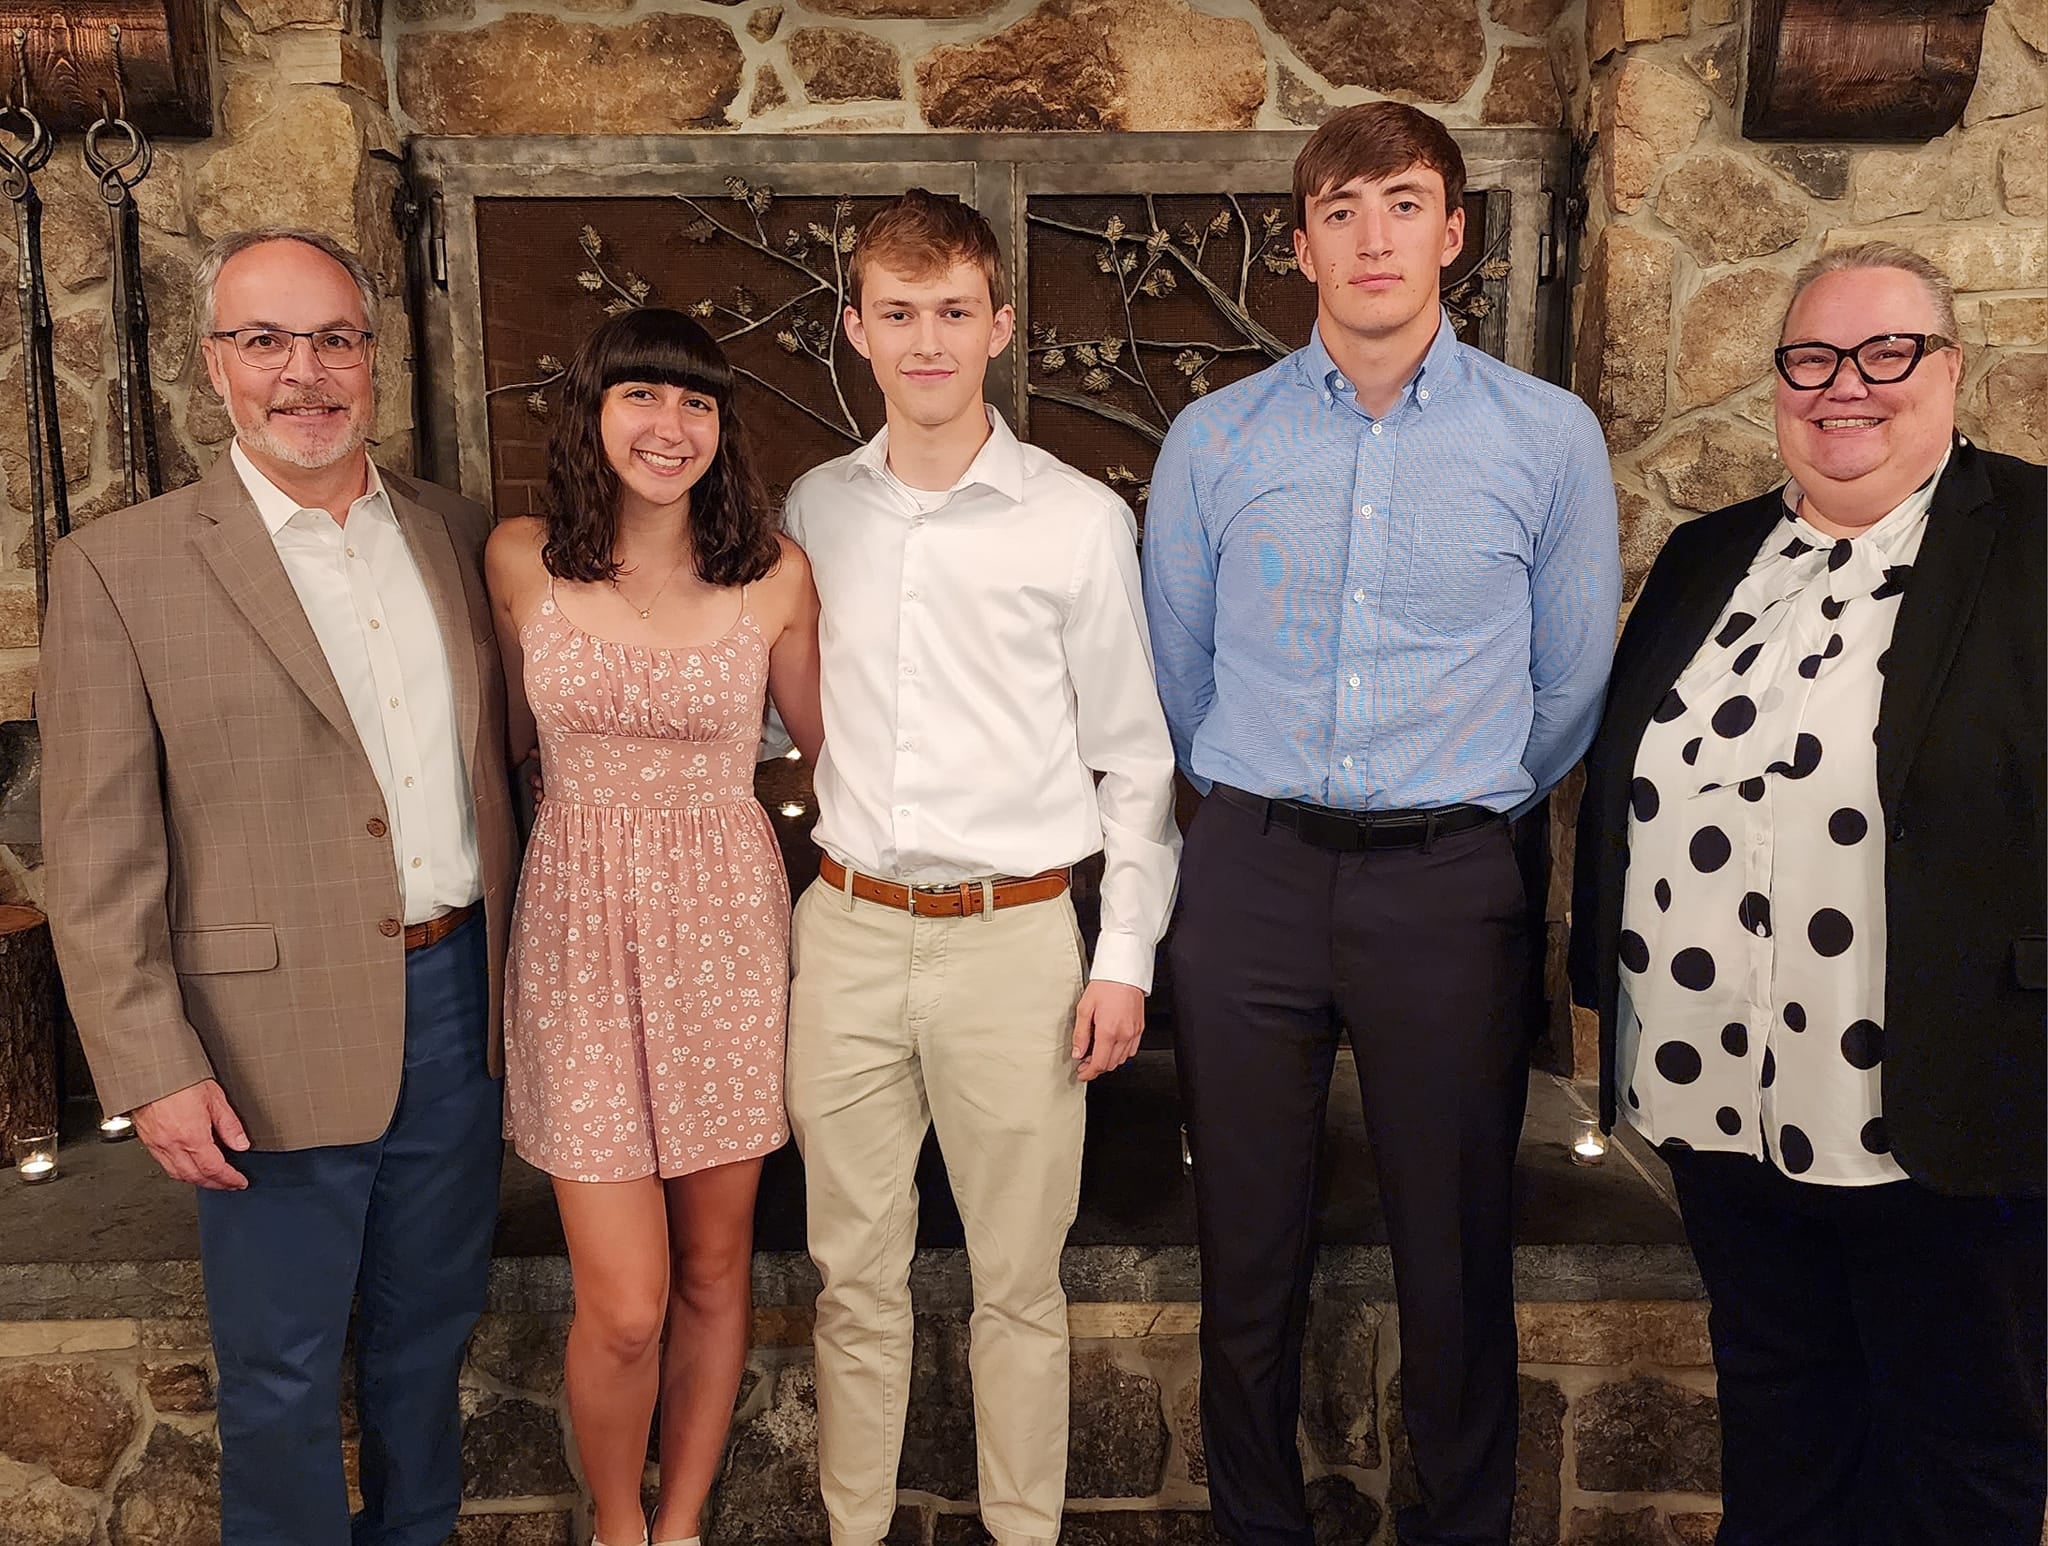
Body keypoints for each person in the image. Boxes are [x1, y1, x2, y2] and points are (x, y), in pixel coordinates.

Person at [1141, 103, 1620, 1546]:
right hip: (1252, 876)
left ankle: (1461, 1522)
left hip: (1448, 883)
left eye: (1403, 204)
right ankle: (1258, 1524)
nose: (1372, 238)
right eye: (1340, 210)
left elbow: (1570, 683)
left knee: (1457, 1251)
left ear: (1454, 232)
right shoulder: (1212, 438)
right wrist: (1264, 803)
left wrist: (1456, 809)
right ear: (1297, 244)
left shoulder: (1548, 438)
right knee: (1247, 1247)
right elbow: (1180, 671)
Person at [38, 228, 518, 1545]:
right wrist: (147, 1058)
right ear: (214, 366)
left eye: (333, 339)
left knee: (427, 1353)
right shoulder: (118, 570)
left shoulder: (459, 535)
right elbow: (97, 849)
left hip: (458, 1011)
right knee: (283, 1377)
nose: (303, 372)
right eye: (265, 341)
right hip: (259, 1041)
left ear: (374, 355)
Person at [1570, 242, 2045, 1544]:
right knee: (1783, 1424)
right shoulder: (1709, 553)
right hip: (1724, 1101)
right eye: (1813, 358)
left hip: (1952, 1102)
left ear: (1951, 371)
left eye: (1889, 352)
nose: (1848, 385)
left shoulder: (2033, 540)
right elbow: (1633, 777)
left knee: (1961, 1447)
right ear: (1778, 380)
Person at [781, 188, 1179, 1546]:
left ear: (1000, 326)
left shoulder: (1074, 520)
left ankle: (1024, 1531)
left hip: (1016, 942)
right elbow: (777, 703)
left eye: (954, 311)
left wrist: (1122, 956)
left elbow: (1136, 756)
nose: (928, 340)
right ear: (856, 331)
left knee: (1019, 1280)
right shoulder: (811, 510)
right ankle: (855, 1525)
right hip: (843, 930)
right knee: (853, 1276)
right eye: (899, 313)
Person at [486, 306, 822, 1546]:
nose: (667, 425)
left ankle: (677, 1524)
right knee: (624, 1302)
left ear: (721, 429)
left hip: (726, 938)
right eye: (640, 395)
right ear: (594, 410)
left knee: (714, 1270)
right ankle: (614, 1522)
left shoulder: (773, 575)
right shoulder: (521, 559)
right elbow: (496, 750)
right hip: (576, 935)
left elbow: (842, 756)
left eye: (694, 403)